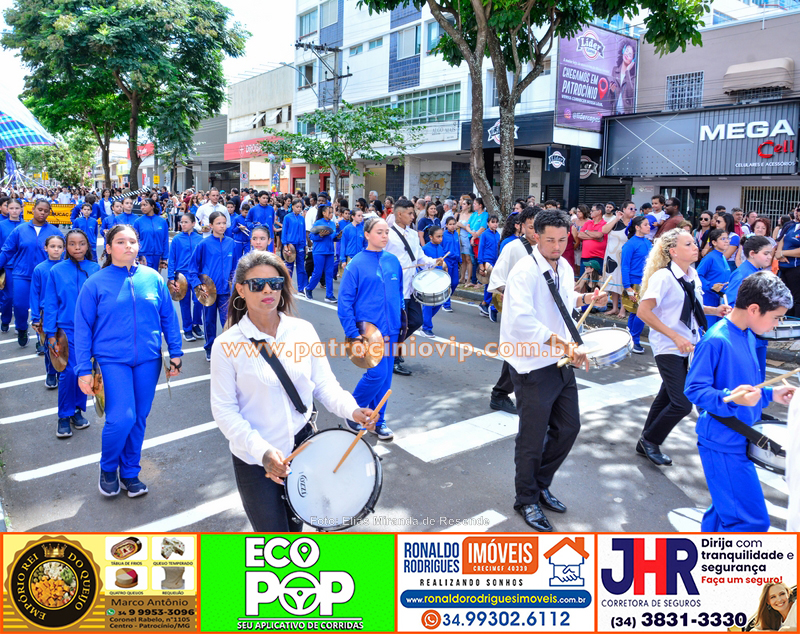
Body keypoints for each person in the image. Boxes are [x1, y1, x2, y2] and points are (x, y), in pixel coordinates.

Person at [210, 251, 375, 531]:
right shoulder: (226, 345)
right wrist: (262, 452)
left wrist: (353, 410)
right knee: (274, 539)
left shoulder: (302, 330)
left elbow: (324, 384)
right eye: (256, 285)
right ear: (240, 289)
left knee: (296, 532)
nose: (267, 290)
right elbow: (224, 411)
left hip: (304, 451)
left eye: (274, 284)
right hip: (255, 461)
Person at [499, 209, 607, 531]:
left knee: (568, 428)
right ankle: (526, 499)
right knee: (531, 437)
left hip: (560, 360)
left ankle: (541, 483)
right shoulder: (524, 271)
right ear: (536, 236)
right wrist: (562, 343)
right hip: (532, 363)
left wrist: (587, 296)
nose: (558, 246)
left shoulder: (564, 266)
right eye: (550, 240)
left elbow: (563, 298)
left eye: (562, 239)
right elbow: (521, 320)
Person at [75, 224, 182, 497]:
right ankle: (108, 467)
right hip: (112, 360)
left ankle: (130, 472)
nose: (128, 246)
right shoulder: (95, 283)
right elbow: (82, 328)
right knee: (121, 418)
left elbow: (168, 317)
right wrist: (83, 369)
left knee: (139, 419)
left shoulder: (153, 277)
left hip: (148, 359)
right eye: (121, 242)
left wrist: (176, 353)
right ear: (108, 249)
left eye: (132, 241)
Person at [685, 272, 795, 532]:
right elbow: (694, 389)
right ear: (754, 309)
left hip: (737, 437)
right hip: (723, 441)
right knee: (750, 521)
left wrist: (770, 395)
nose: (777, 324)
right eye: (776, 317)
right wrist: (731, 398)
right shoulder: (716, 340)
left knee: (725, 512)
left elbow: (747, 388)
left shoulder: (746, 334)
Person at [635, 229, 730, 466]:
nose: (695, 247)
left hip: (688, 345)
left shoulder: (692, 275)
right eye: (688, 244)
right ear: (673, 251)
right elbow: (643, 312)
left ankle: (644, 441)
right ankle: (651, 440)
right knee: (682, 402)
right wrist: (675, 337)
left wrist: (714, 310)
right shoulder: (663, 277)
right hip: (668, 346)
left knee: (666, 395)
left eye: (694, 243)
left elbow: (690, 307)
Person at [338, 217, 402, 441]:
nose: (384, 236)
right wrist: (353, 335)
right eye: (379, 232)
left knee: (386, 380)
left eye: (386, 232)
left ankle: (378, 421)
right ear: (367, 234)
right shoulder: (356, 264)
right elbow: (344, 302)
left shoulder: (393, 261)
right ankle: (353, 412)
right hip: (367, 332)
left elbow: (399, 295)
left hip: (391, 330)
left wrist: (399, 324)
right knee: (377, 375)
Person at [44, 229, 100, 438]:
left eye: (82, 244)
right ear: (66, 247)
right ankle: (63, 416)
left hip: (91, 330)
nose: (77, 248)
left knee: (85, 371)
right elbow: (51, 303)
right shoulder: (57, 271)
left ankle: (77, 410)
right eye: (73, 244)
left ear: (88, 245)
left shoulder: (96, 269)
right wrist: (50, 334)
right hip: (66, 331)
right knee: (67, 373)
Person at [487, 206, 539, 415]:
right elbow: (496, 279)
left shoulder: (545, 248)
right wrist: (515, 293)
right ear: (521, 227)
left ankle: (512, 393)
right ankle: (500, 394)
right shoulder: (513, 247)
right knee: (517, 351)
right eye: (531, 227)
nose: (536, 232)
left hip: (539, 309)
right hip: (518, 309)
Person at [386, 199, 439, 376]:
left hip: (411, 286)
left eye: (413, 213)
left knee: (416, 321)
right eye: (409, 213)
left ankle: (392, 349)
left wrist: (433, 262)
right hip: (395, 288)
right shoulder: (388, 235)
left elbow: (419, 257)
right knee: (398, 325)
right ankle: (392, 357)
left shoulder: (413, 234)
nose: (412, 216)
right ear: (398, 214)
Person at [0, 199, 63, 346]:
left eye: (46, 211)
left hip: (45, 276)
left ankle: (41, 340)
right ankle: (22, 328)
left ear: (49, 213)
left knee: (45, 307)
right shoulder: (20, 230)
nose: (42, 213)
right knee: (20, 306)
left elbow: (65, 252)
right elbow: (7, 250)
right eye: (40, 209)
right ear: (33, 209)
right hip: (22, 274)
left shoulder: (54, 231)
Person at [188, 211, 235, 362]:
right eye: (218, 223)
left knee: (228, 321)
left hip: (226, 291)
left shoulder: (231, 243)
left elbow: (235, 268)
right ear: (211, 225)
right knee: (209, 321)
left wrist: (236, 286)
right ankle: (210, 348)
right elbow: (192, 269)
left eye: (224, 223)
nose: (222, 226)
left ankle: (228, 349)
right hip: (208, 291)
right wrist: (199, 286)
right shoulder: (203, 244)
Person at [30, 234, 64, 389]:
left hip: (64, 312)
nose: (56, 250)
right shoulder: (40, 269)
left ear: (64, 249)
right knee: (49, 345)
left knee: (63, 343)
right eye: (52, 246)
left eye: (59, 247)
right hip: (45, 314)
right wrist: (35, 317)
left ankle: (61, 371)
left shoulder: (67, 267)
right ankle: (51, 372)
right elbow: (34, 294)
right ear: (46, 248)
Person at [168, 213, 205, 342]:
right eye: (181, 222)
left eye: (185, 222)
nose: (182, 224)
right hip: (181, 275)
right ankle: (187, 329)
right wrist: (171, 277)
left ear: (193, 223)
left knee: (198, 300)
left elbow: (204, 259)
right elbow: (171, 258)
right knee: (184, 303)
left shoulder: (200, 239)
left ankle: (196, 324)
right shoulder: (177, 239)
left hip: (196, 275)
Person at [620, 215, 652, 354]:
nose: (649, 226)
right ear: (637, 227)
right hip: (635, 282)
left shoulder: (648, 243)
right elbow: (625, 266)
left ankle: (631, 340)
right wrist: (627, 287)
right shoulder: (630, 244)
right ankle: (635, 340)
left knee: (635, 312)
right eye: (646, 224)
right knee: (641, 313)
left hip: (645, 281)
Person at [604, 201, 636, 317]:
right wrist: (616, 219)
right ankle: (614, 307)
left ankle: (623, 308)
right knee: (613, 280)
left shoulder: (634, 223)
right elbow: (604, 230)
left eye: (634, 209)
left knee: (624, 281)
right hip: (611, 255)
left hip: (625, 255)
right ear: (623, 209)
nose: (633, 211)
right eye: (631, 208)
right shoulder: (616, 221)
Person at [696, 228, 732, 328]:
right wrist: (710, 285)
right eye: (723, 239)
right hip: (708, 298)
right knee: (708, 328)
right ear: (714, 242)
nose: (726, 241)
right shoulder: (710, 257)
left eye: (727, 238)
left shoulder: (723, 257)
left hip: (720, 299)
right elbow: (697, 275)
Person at [304, 204, 338, 303]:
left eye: (332, 212)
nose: (331, 214)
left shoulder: (332, 224)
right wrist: (320, 235)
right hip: (319, 251)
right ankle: (309, 289)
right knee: (318, 272)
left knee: (329, 273)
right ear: (323, 213)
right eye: (329, 212)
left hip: (330, 252)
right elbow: (312, 237)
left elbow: (333, 237)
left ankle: (329, 295)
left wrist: (338, 237)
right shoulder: (318, 223)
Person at [420, 226, 448, 338]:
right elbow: (421, 264)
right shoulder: (425, 248)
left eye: (442, 236)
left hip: (439, 279)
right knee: (428, 304)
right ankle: (426, 327)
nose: (441, 238)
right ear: (431, 237)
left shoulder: (441, 248)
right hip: (428, 279)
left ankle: (423, 320)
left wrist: (444, 266)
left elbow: (443, 262)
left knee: (439, 302)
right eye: (438, 236)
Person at [0, 198, 24, 330]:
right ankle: (5, 319)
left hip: (22, 267)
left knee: (21, 300)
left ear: (21, 209)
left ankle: (21, 325)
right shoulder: (1, 225)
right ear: (6, 209)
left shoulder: (26, 225)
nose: (14, 211)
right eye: (11, 208)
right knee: (8, 297)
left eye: (17, 208)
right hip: (7, 266)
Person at [577, 204, 608, 294]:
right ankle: (582, 299)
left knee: (595, 280)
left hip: (597, 256)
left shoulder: (604, 224)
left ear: (599, 212)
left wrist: (587, 232)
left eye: (592, 210)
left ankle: (596, 301)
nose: (590, 212)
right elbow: (579, 235)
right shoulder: (588, 223)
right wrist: (594, 235)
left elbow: (600, 235)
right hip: (585, 255)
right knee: (583, 279)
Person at [281, 198, 308, 293]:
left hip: (300, 245)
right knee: (289, 267)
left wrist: (305, 245)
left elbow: (304, 233)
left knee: (301, 266)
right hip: (290, 245)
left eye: (300, 207)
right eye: (297, 207)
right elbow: (284, 231)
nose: (299, 209)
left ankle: (302, 287)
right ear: (292, 207)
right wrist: (285, 245)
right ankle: (287, 287)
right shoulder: (287, 217)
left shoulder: (302, 218)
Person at [133, 198, 169, 270]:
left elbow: (165, 240)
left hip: (158, 256)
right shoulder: (138, 222)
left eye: (145, 205)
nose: (142, 207)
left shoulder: (162, 221)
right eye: (141, 205)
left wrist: (164, 257)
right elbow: (135, 240)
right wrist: (136, 256)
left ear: (152, 206)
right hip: (143, 256)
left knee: (155, 278)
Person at [776, 213, 800, 317]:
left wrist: (783, 253)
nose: (798, 212)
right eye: (798, 209)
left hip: (796, 269)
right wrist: (778, 252)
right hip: (783, 269)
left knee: (797, 299)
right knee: (785, 299)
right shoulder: (792, 226)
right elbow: (782, 240)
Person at [477, 215, 501, 318]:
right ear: (488, 223)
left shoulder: (498, 235)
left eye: (496, 222)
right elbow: (481, 249)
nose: (495, 224)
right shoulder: (484, 234)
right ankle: (485, 303)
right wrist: (481, 264)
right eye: (492, 222)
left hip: (496, 261)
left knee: (492, 283)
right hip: (487, 261)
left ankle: (485, 304)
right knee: (489, 282)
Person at [440, 216, 461, 313]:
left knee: (455, 282)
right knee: (447, 283)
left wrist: (459, 258)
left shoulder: (456, 234)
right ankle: (446, 303)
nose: (452, 226)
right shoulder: (443, 235)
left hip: (455, 261)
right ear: (446, 225)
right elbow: (441, 247)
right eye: (450, 224)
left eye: (454, 224)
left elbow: (458, 247)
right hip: (447, 260)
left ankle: (445, 297)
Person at [231, 203, 253, 269]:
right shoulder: (237, 218)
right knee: (238, 258)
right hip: (238, 241)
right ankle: (236, 272)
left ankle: (246, 271)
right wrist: (239, 228)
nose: (247, 214)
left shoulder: (250, 218)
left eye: (248, 213)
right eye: (245, 212)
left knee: (248, 257)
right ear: (241, 211)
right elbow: (232, 230)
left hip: (247, 240)